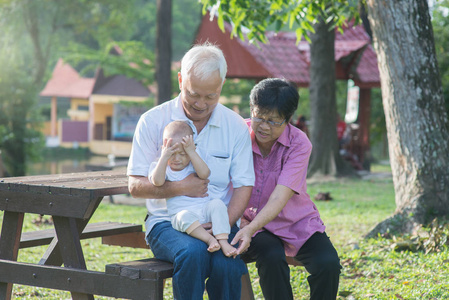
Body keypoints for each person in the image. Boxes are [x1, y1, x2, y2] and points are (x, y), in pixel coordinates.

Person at [127, 43, 255, 300]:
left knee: (226, 262)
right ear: (180, 80)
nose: (201, 104)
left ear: (221, 85)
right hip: (167, 223)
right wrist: (179, 187)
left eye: (211, 96)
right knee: (193, 252)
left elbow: (244, 186)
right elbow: (135, 185)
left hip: (219, 219)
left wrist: (223, 224)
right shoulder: (153, 121)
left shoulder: (235, 126)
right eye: (194, 94)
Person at [231, 78, 342, 300]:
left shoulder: (299, 144)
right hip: (249, 221)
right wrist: (249, 228)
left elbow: (279, 197)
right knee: (271, 255)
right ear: (251, 109)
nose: (263, 126)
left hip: (294, 221)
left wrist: (251, 229)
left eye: (273, 121)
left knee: (328, 264)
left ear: (288, 119)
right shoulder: (236, 134)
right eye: (259, 116)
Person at [150, 120, 237, 257]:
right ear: (164, 150)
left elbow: (205, 174)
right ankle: (209, 239)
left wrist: (192, 153)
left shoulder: (193, 163)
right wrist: (163, 157)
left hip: (203, 210)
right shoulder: (162, 168)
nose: (177, 159)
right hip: (183, 216)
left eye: (183, 154)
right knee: (183, 216)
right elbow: (157, 181)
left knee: (217, 204)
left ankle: (223, 240)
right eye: (172, 153)